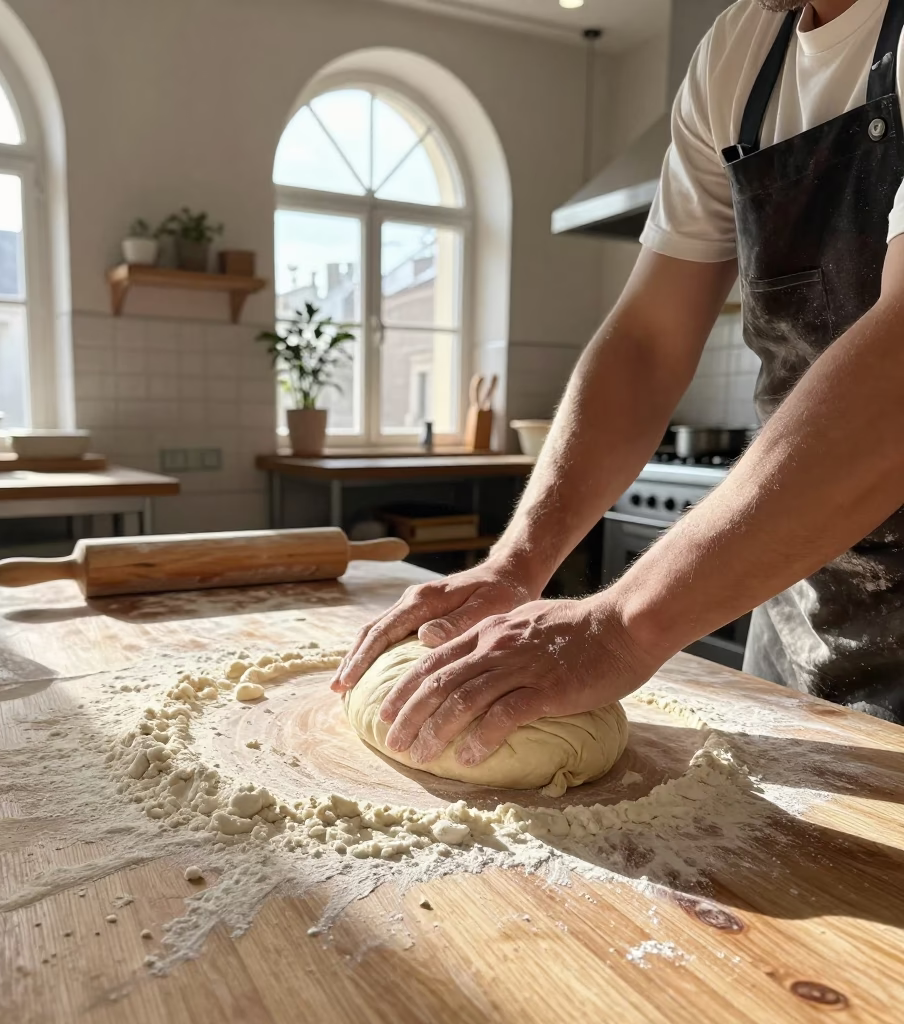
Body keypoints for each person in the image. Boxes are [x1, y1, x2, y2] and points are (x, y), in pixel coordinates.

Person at [329, 0, 904, 770]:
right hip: (794, 593)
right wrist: (516, 564)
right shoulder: (743, 50)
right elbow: (645, 342)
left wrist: (619, 625)